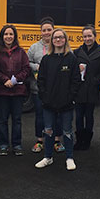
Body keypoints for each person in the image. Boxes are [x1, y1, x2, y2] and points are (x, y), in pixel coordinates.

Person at [35, 28, 81, 171]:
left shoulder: (71, 59)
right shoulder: (46, 59)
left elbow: (76, 81)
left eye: (61, 37)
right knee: (48, 130)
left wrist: (70, 98)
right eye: (56, 38)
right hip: (49, 103)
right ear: (52, 40)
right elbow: (40, 80)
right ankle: (48, 157)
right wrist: (44, 96)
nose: (58, 40)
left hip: (66, 103)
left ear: (65, 40)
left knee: (67, 131)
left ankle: (69, 157)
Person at [27, 17, 65, 154]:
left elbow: (69, 61)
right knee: (40, 115)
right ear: (40, 32)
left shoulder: (61, 46)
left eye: (49, 30)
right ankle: (39, 141)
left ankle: (56, 141)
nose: (47, 32)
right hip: (39, 89)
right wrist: (37, 66)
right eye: (44, 30)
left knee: (58, 115)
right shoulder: (34, 48)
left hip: (57, 90)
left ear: (53, 30)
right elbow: (27, 63)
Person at [0, 24, 30, 156]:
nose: (8, 37)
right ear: (2, 37)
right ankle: (3, 145)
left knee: (17, 119)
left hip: (18, 91)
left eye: (11, 34)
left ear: (14, 36)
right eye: (6, 34)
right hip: (2, 91)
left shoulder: (21, 52)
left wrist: (15, 79)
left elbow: (26, 69)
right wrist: (5, 80)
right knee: (2, 119)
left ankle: (17, 144)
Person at [73, 25, 100, 150]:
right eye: (85, 36)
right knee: (78, 116)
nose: (87, 38)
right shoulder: (76, 53)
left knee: (89, 116)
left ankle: (87, 140)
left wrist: (95, 81)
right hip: (79, 89)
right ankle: (79, 140)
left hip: (92, 89)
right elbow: (73, 71)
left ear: (95, 36)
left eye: (90, 36)